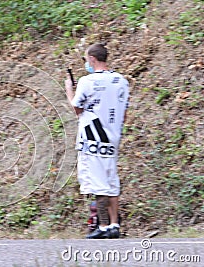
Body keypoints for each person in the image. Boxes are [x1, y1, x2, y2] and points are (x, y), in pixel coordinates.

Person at [65, 43, 129, 239]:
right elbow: (123, 110)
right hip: (113, 136)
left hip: (92, 137)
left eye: (86, 60)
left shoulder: (87, 81)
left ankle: (102, 226)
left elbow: (77, 108)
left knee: (98, 182)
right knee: (111, 180)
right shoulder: (122, 81)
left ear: (92, 59)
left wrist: (69, 90)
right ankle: (114, 224)